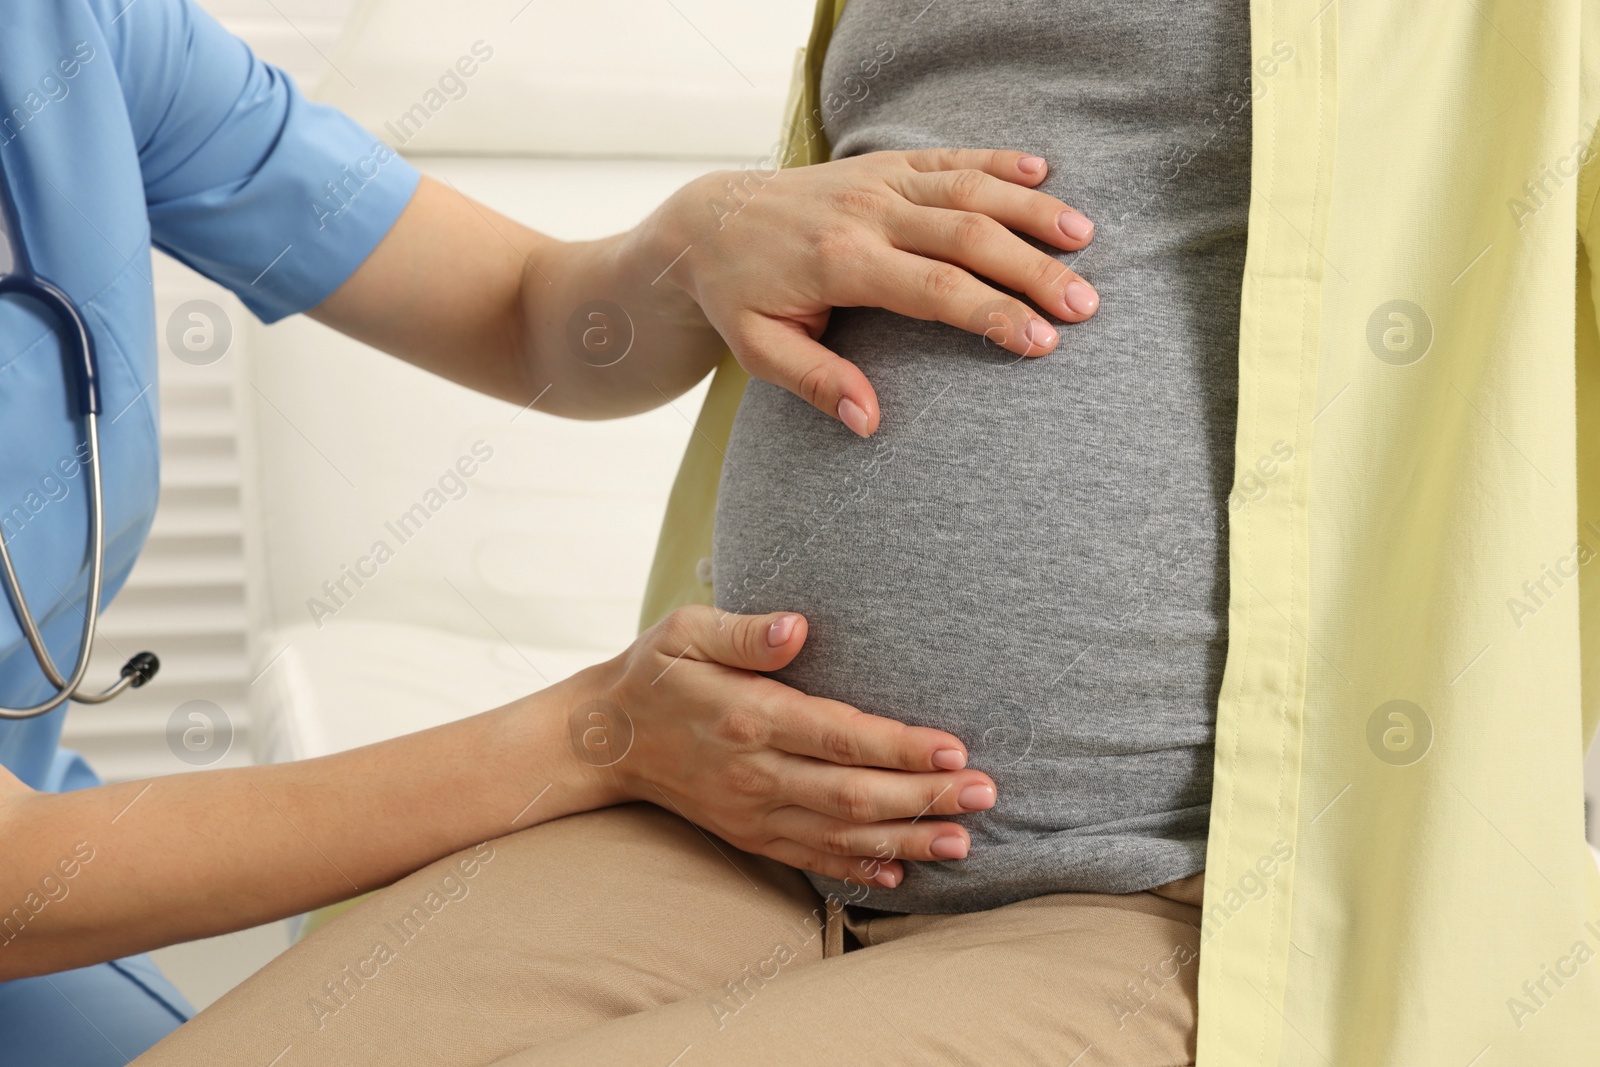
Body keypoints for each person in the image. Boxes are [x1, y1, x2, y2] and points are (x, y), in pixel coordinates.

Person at [133, 0, 1239, 1063]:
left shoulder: (123, 48)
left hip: (1135, 884)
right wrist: (596, 734)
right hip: (734, 821)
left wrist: (687, 243)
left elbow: (527, 311)